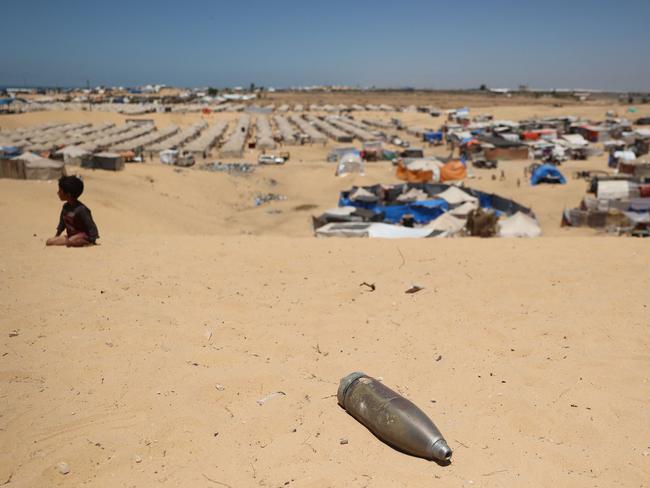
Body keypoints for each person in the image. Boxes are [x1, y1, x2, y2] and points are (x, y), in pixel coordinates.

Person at [46, 175, 99, 247]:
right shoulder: (65, 207)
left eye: (60, 191)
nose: (58, 193)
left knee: (70, 242)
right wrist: (56, 236)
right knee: (49, 242)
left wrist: (92, 239)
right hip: (71, 236)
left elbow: (91, 226)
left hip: (83, 236)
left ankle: (85, 243)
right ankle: (72, 241)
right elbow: (62, 224)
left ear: (68, 195)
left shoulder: (82, 209)